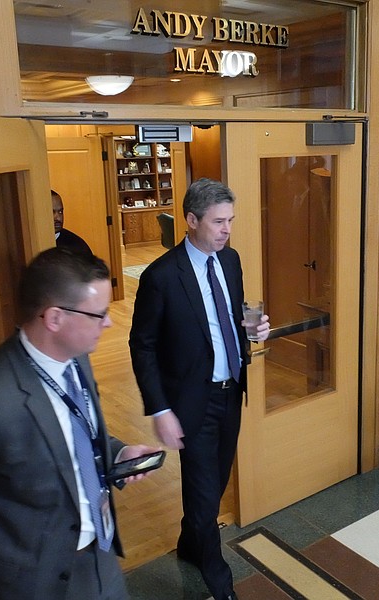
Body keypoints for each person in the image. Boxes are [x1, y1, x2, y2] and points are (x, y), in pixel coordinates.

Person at [0, 248, 158, 600]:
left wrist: (116, 451)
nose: (109, 322)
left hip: (99, 559)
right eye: (99, 314)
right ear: (54, 318)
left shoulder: (75, 358)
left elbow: (74, 430)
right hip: (26, 586)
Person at [129, 178, 270, 600]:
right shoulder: (161, 276)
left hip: (231, 392)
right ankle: (218, 579)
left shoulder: (230, 261)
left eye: (231, 220)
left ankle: (190, 545)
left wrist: (252, 331)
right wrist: (159, 409)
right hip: (192, 401)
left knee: (214, 480)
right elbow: (142, 346)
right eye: (218, 222)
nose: (227, 230)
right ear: (191, 220)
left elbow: (232, 317)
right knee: (205, 492)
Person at [53, 189, 93, 255]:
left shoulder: (76, 246)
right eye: (52, 212)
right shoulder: (33, 243)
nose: (58, 218)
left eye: (60, 212)